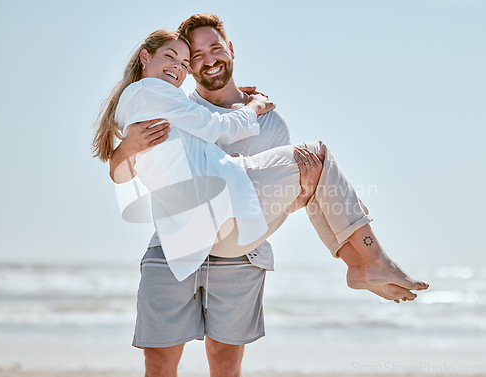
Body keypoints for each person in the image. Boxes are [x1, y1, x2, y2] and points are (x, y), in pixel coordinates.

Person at [94, 15, 428, 377]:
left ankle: (364, 262)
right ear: (156, 61)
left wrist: (305, 188)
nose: (205, 60)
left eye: (213, 49)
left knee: (226, 363)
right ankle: (366, 261)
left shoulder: (270, 122)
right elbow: (126, 176)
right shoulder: (174, 105)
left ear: (231, 50)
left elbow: (281, 200)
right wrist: (125, 148)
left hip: (238, 246)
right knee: (158, 364)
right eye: (194, 56)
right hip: (176, 245)